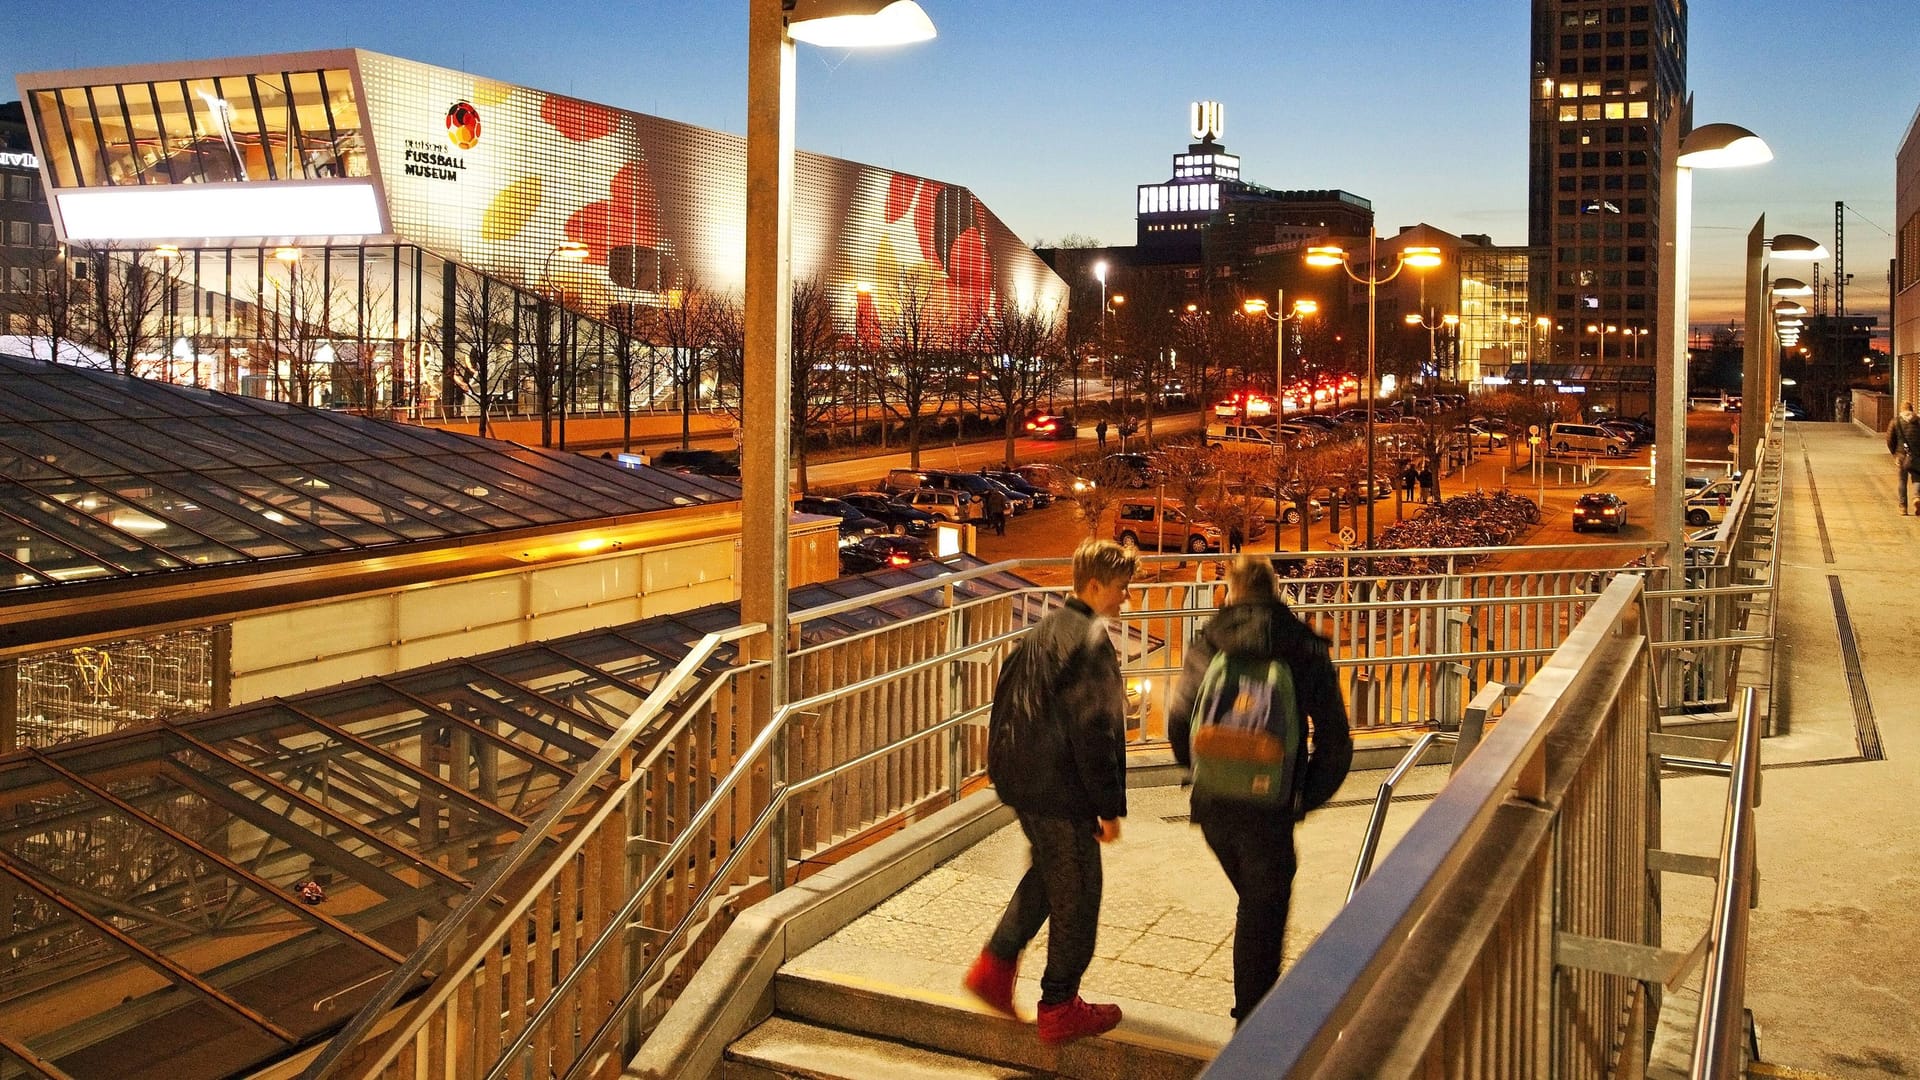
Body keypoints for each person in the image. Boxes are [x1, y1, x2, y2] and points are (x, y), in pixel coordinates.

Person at [1166, 555, 1352, 1025]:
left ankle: (1257, 1009)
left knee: (1255, 899)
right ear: (1276, 593)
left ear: (1230, 592)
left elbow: (1177, 722)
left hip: (1212, 807)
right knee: (1263, 906)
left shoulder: (1209, 641)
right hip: (1269, 808)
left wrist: (1205, 771)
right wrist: (1300, 795)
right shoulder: (1302, 646)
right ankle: (1254, 1028)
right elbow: (1335, 741)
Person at [966, 539, 1137, 1044]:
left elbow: (1008, 699)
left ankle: (994, 969)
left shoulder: (1044, 629)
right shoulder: (1088, 641)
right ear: (1096, 586)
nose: (1125, 600)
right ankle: (1060, 1005)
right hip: (1058, 787)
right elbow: (1095, 730)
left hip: (1023, 778)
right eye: (1122, 590)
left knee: (1049, 872)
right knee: (1079, 893)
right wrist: (1107, 808)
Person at [1888, 403, 1920, 514]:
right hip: (1916, 456)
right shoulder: (1918, 421)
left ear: (1901, 410)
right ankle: (1917, 497)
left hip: (1901, 456)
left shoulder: (1895, 421)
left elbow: (1890, 439)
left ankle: (1903, 507)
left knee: (1902, 481)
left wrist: (1895, 453)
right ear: (1912, 409)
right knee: (1917, 478)